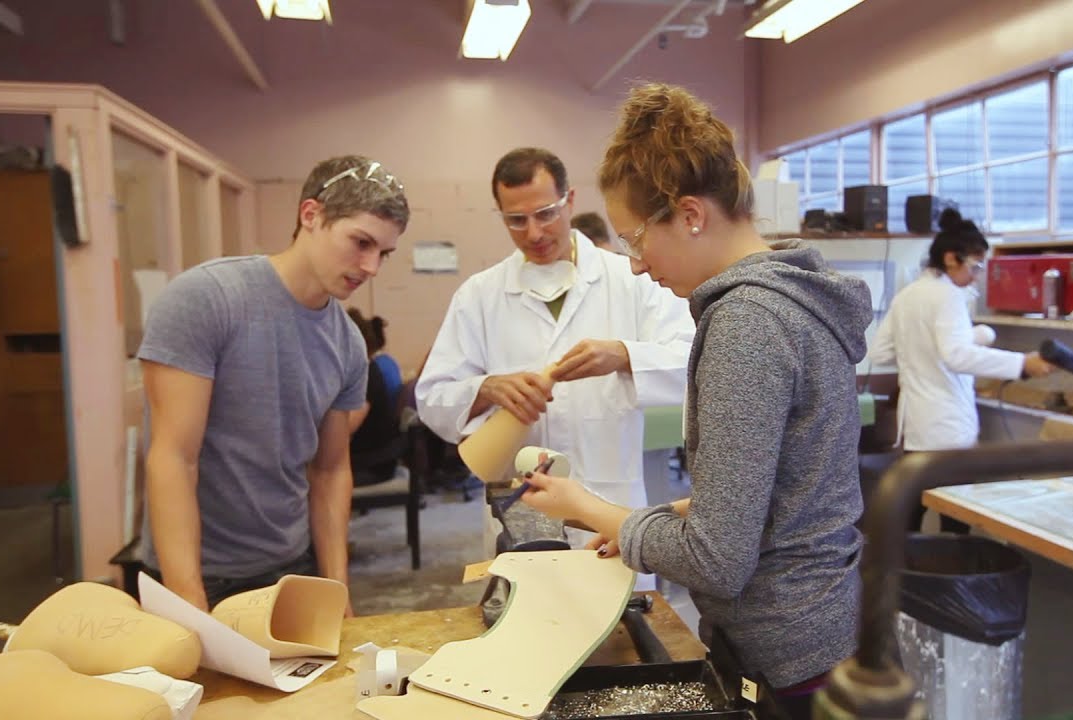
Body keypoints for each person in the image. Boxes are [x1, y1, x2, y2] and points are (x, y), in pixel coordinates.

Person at [517, 84, 872, 720]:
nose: (633, 265)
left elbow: (717, 560)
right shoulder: (793, 299)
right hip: (823, 632)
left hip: (787, 656)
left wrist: (592, 510)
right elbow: (779, 490)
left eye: (634, 239)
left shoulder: (747, 325)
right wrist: (648, 519)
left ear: (690, 214)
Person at [138, 155, 409, 611]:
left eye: (383, 252)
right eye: (361, 242)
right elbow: (172, 459)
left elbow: (330, 471)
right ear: (311, 215)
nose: (371, 266)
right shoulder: (207, 299)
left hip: (290, 567)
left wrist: (337, 588)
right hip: (196, 571)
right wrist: (189, 602)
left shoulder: (346, 343)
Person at [415, 147, 694, 516]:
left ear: (569, 201)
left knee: (607, 572)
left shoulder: (631, 280)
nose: (534, 233)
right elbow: (432, 397)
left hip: (609, 499)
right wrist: (485, 389)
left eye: (546, 214)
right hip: (519, 506)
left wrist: (624, 356)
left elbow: (693, 359)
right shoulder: (479, 295)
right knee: (524, 570)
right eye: (516, 220)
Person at [868, 209, 1054, 528]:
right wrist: (1021, 363)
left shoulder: (908, 295)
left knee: (911, 513)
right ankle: (947, 575)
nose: (977, 275)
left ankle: (894, 574)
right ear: (952, 258)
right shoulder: (949, 296)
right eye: (976, 265)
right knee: (955, 518)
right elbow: (956, 356)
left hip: (917, 430)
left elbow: (880, 351)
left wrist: (926, 350)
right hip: (948, 430)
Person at [347, 308, 403, 485]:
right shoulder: (375, 366)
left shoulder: (367, 373)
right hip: (373, 456)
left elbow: (347, 428)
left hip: (373, 464)